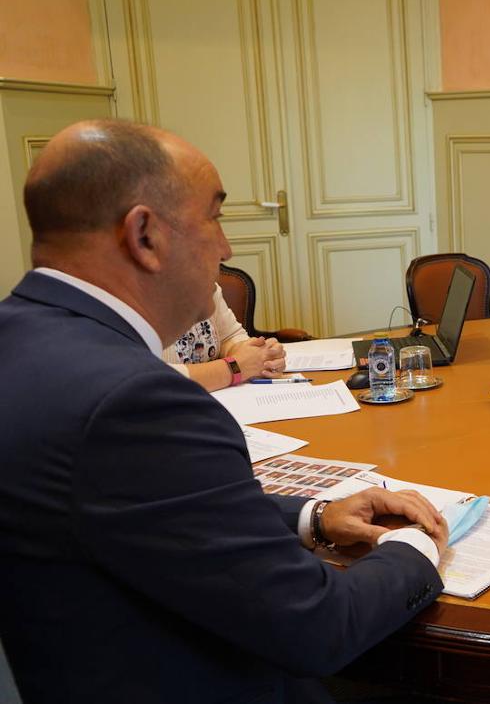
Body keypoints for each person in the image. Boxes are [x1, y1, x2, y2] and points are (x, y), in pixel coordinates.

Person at [0, 119, 450, 703]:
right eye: (214, 216)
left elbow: (140, 506)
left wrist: (313, 517)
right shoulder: (137, 402)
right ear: (144, 235)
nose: (226, 247)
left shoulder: (19, 336)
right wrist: (417, 547)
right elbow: (318, 627)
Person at [163, 285, 286, 391]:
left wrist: (259, 356)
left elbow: (230, 336)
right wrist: (237, 367)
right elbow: (157, 378)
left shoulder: (205, 281)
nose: (227, 256)